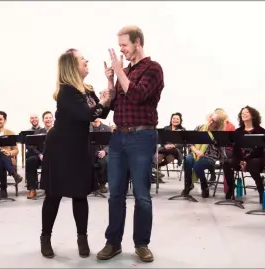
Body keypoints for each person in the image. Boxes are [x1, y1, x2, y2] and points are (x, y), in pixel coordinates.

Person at [97, 26, 164, 263]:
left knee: (142, 195)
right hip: (118, 137)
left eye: (124, 45)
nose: (121, 50)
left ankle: (141, 243)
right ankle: (113, 242)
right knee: (115, 193)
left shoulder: (153, 69)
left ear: (137, 42)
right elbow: (113, 108)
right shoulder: (124, 71)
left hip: (142, 138)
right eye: (120, 46)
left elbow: (137, 96)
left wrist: (119, 74)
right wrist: (110, 81)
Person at [39, 49, 110, 259]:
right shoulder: (66, 91)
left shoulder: (86, 90)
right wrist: (102, 103)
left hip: (79, 147)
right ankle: (45, 238)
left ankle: (82, 238)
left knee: (80, 194)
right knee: (54, 195)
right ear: (72, 66)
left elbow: (102, 112)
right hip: (60, 147)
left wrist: (109, 87)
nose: (87, 60)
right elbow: (88, 114)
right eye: (82, 59)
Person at [223, 106, 265, 203]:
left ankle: (261, 190)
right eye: (242, 113)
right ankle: (231, 187)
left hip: (256, 158)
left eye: (247, 112)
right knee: (227, 163)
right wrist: (241, 160)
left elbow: (260, 149)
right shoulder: (238, 131)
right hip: (241, 159)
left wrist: (246, 160)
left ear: (253, 115)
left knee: (253, 163)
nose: (244, 114)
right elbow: (236, 149)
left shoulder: (261, 131)